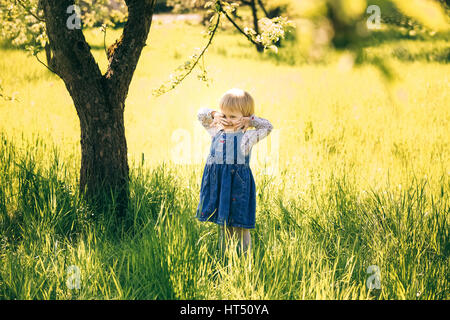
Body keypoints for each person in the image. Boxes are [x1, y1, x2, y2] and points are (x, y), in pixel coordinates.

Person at [196, 88, 273, 255]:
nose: (228, 120)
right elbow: (201, 115)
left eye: (233, 117)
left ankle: (246, 258)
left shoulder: (248, 136)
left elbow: (268, 126)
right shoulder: (216, 129)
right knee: (224, 224)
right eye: (225, 116)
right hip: (219, 183)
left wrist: (250, 121)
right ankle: (224, 256)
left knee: (240, 224)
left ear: (243, 117)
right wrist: (215, 114)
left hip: (238, 183)